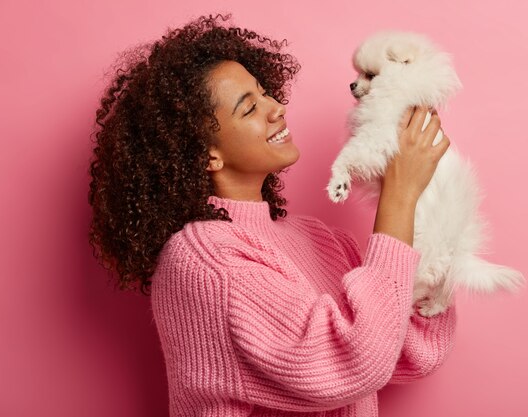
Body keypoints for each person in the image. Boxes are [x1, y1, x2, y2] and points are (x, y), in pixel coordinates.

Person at [88, 13, 456, 417]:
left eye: (265, 92)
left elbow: (416, 351)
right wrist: (400, 196)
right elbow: (351, 362)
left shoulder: (319, 239)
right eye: (249, 109)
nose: (276, 108)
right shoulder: (201, 262)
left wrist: (429, 204)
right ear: (207, 153)